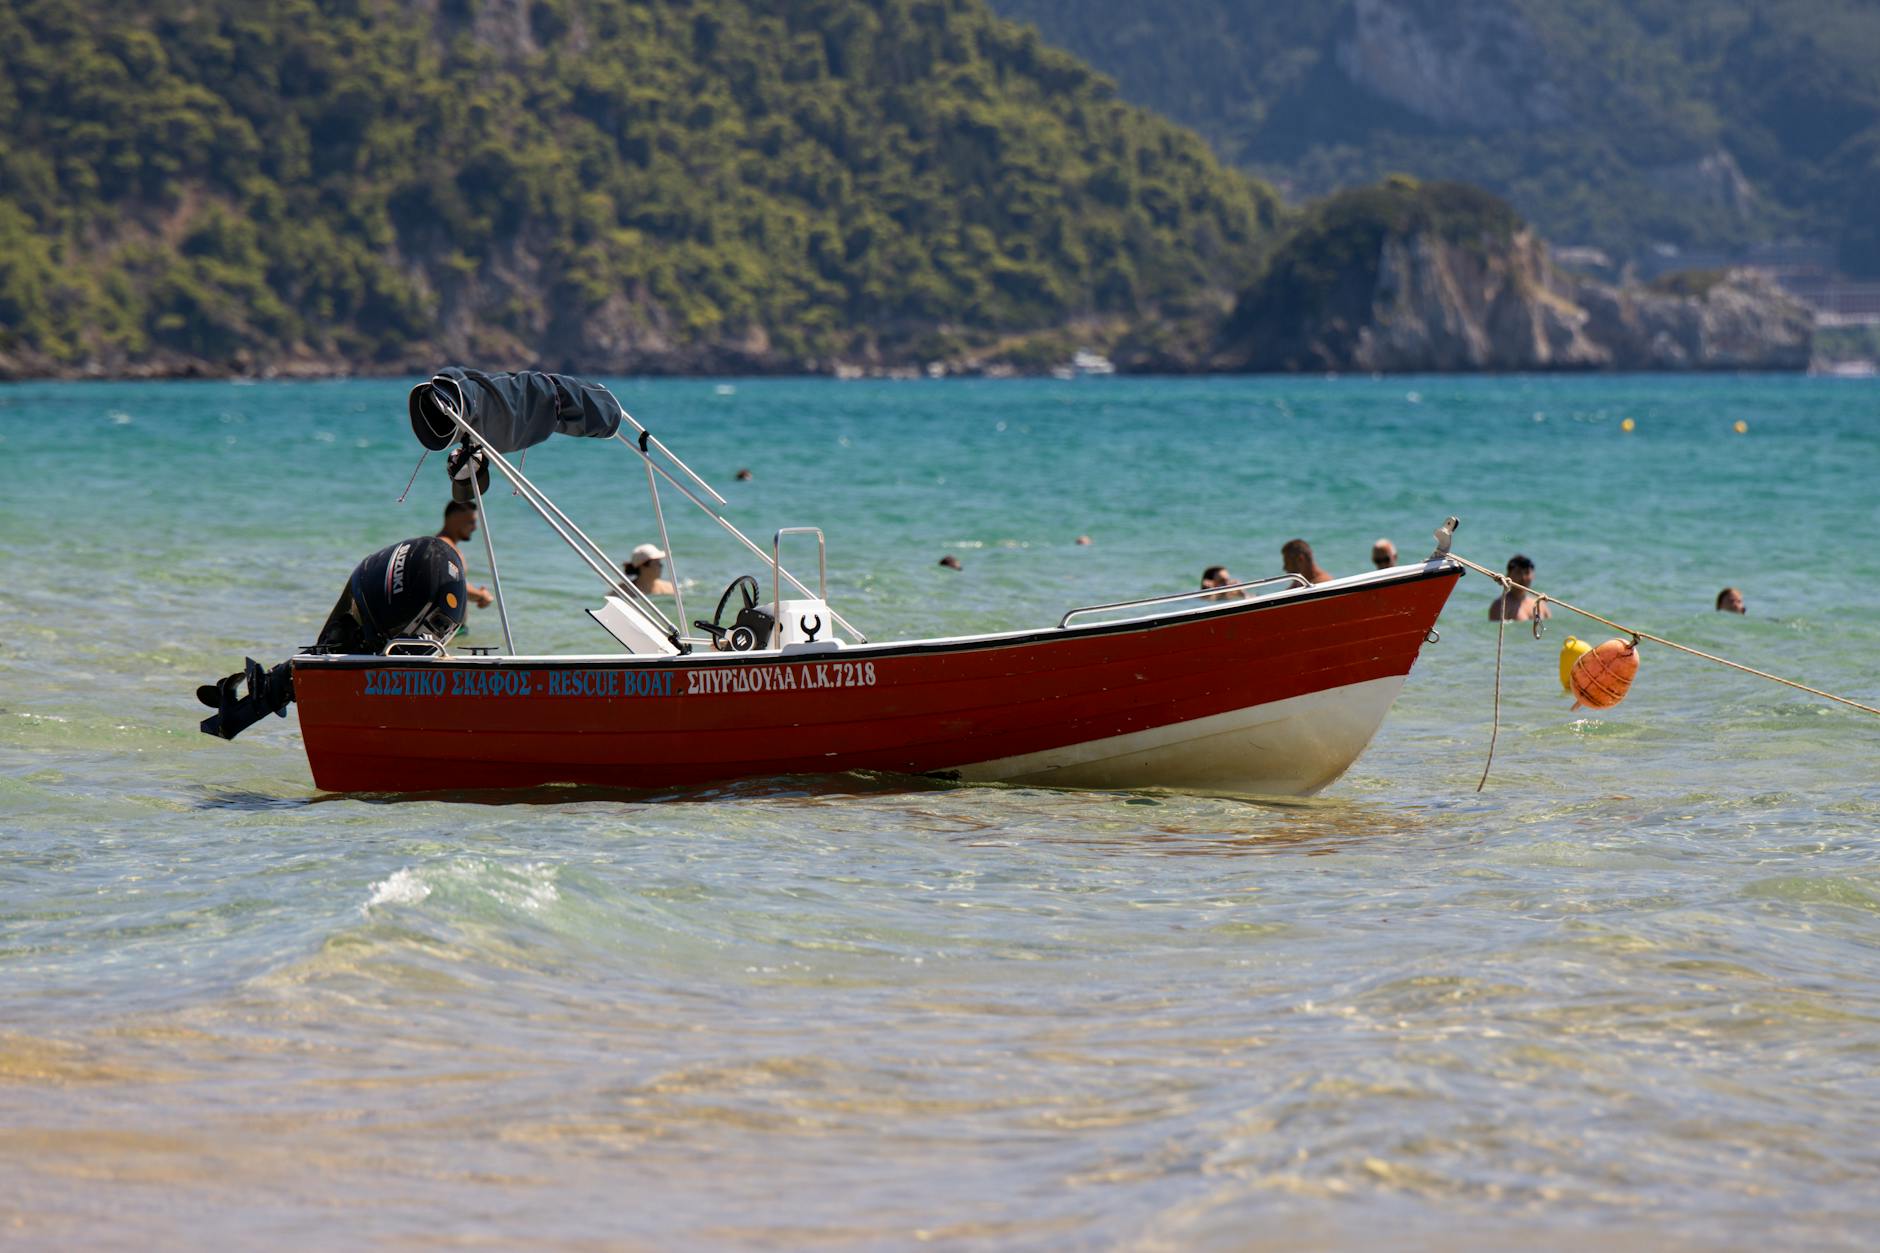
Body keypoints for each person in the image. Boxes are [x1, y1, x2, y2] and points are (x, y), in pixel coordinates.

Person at [435, 502, 494, 608]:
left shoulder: (445, 545)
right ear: (454, 519)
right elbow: (453, 584)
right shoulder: (445, 547)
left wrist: (477, 592)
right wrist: (481, 596)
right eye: (471, 522)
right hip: (452, 624)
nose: (475, 528)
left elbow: (456, 581)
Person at [1488, 553, 1550, 621]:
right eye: (1518, 572)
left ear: (1533, 575)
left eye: (1527, 572)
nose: (1523, 578)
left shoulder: (1540, 605)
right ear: (1508, 575)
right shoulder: (1500, 606)